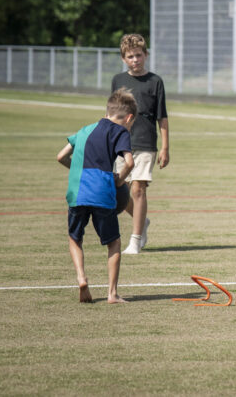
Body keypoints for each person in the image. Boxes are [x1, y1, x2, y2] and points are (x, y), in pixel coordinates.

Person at [56, 88, 137, 304]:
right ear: (128, 118)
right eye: (131, 124)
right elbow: (129, 163)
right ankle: (112, 294)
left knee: (75, 238)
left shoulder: (85, 130)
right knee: (114, 243)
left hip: (77, 191)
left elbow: (61, 156)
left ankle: (82, 278)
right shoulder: (120, 132)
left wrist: (78, 170)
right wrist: (119, 181)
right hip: (102, 191)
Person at [111, 33, 170, 255]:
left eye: (138, 55)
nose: (135, 59)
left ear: (146, 55)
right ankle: (142, 221)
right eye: (130, 56)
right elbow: (112, 114)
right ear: (123, 58)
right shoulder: (118, 80)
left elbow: (162, 117)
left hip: (146, 142)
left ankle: (135, 240)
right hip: (121, 142)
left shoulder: (155, 81)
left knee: (138, 189)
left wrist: (165, 147)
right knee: (119, 191)